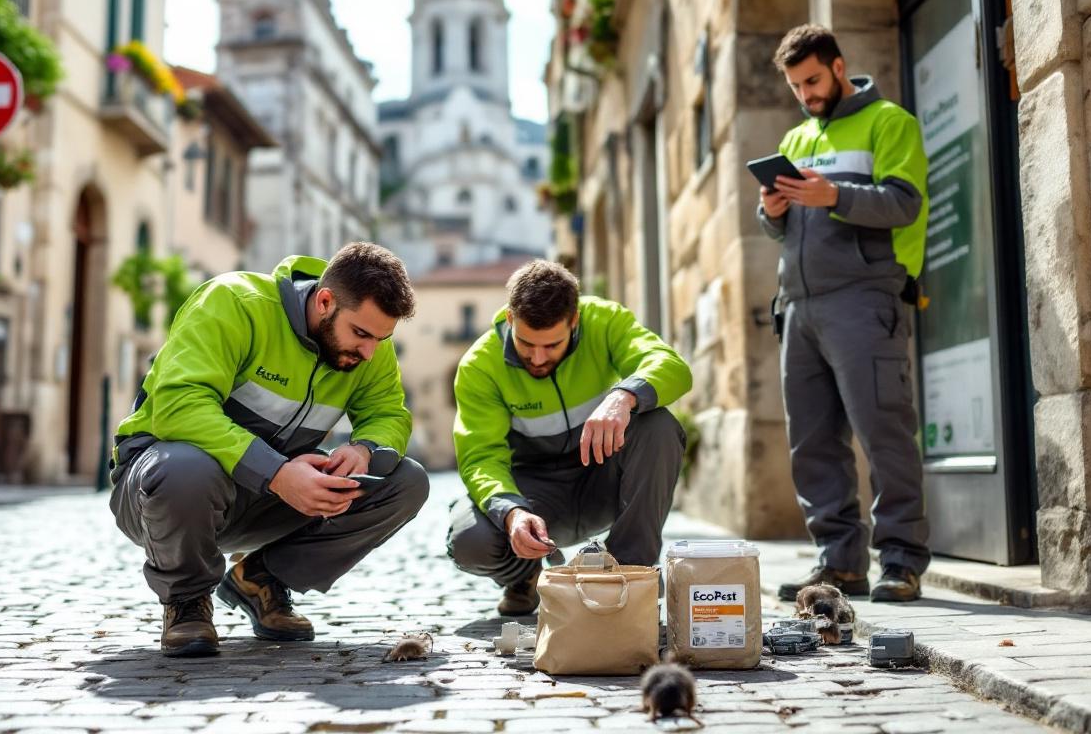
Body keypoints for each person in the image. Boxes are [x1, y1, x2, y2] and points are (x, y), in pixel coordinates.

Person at [109, 243, 428, 656]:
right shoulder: (233, 303)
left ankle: (259, 579)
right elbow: (178, 406)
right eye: (361, 334)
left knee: (405, 481)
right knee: (185, 467)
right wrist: (276, 473)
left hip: (264, 497)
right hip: (163, 489)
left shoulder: (371, 349)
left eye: (381, 339)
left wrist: (365, 449)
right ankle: (186, 602)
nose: (370, 352)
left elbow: (389, 413)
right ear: (325, 301)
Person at [757, 24, 931, 602]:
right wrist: (773, 209)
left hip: (864, 299)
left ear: (838, 66)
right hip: (799, 308)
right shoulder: (798, 136)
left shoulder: (889, 123)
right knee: (812, 443)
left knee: (883, 431)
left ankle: (902, 561)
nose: (804, 94)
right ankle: (840, 562)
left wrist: (835, 196)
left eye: (811, 80)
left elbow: (905, 204)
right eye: (794, 86)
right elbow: (781, 230)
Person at [447, 260, 692, 615]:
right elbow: (480, 458)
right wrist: (513, 513)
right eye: (526, 343)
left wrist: (624, 396)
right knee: (470, 541)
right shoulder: (479, 366)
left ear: (574, 320)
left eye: (551, 345)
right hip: (535, 499)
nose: (537, 357)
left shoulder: (605, 320)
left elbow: (672, 367)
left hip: (602, 480)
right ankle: (526, 575)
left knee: (659, 425)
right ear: (511, 319)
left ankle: (629, 573)